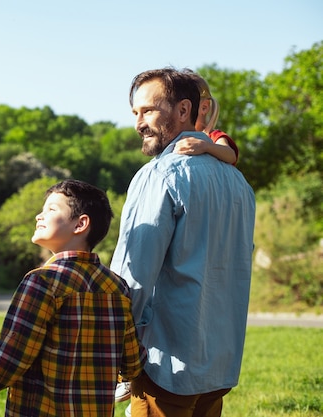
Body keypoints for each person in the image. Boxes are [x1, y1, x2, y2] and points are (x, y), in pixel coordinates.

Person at [110, 68, 255, 417]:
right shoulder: (239, 185)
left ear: (183, 110)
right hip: (219, 363)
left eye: (148, 111)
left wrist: (113, 346)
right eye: (135, 113)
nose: (138, 124)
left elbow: (133, 274)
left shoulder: (160, 175)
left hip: (165, 366)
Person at [0, 179, 146, 417]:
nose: (39, 216)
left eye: (51, 209)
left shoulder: (41, 282)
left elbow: (8, 365)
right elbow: (132, 363)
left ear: (80, 224)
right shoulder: (116, 288)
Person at [174, 70, 238, 165]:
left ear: (204, 107)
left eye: (185, 108)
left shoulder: (214, 136)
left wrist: (204, 146)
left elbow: (231, 155)